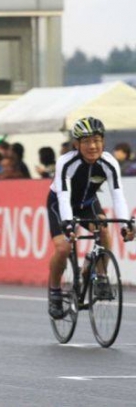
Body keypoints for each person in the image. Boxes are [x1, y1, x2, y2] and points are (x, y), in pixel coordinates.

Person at [47, 117, 135, 320]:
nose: (92, 146)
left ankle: (100, 274)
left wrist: (125, 224)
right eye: (86, 141)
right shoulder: (66, 162)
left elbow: (117, 195)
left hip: (87, 203)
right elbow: (63, 195)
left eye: (96, 140)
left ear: (103, 141)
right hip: (60, 204)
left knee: (103, 228)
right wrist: (68, 223)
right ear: (76, 144)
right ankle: (55, 291)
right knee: (63, 247)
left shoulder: (109, 162)